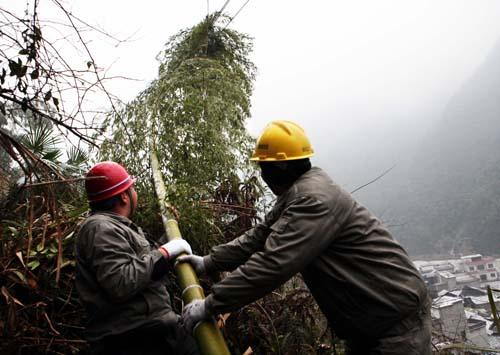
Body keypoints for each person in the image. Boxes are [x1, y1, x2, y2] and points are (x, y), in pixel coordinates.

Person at [179, 120, 432, 355]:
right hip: (373, 322)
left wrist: (211, 304)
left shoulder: (312, 200)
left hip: (395, 326)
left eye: (263, 167)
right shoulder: (300, 191)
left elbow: (273, 263)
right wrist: (209, 262)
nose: (262, 175)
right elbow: (259, 236)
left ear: (279, 167)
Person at [75, 161, 199, 355]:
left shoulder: (113, 227)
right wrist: (165, 252)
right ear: (124, 197)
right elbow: (120, 282)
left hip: (151, 333)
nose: (135, 193)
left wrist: (163, 245)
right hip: (136, 339)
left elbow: (139, 269)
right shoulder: (100, 228)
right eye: (132, 188)